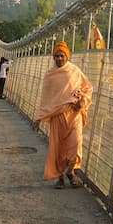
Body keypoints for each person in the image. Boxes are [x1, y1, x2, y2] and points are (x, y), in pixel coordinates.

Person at [31, 41, 92, 189]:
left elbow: (88, 88)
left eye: (62, 55)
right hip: (58, 117)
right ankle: (60, 177)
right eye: (57, 56)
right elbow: (46, 99)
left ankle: (70, 172)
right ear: (53, 57)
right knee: (58, 148)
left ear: (67, 56)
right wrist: (38, 118)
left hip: (74, 114)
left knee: (75, 145)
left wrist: (82, 101)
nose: (59, 58)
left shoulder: (75, 71)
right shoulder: (49, 75)